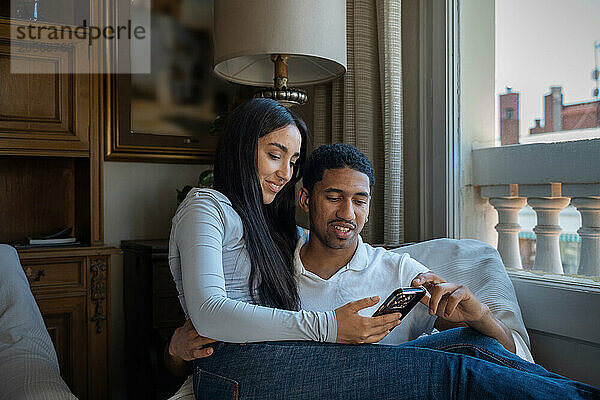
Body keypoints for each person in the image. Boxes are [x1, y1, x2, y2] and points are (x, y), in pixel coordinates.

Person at [169, 109, 599, 399]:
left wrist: (477, 314)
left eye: (292, 159)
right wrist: (330, 327)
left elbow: (227, 298)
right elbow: (209, 312)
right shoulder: (209, 206)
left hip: (262, 361)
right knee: (450, 375)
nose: (283, 171)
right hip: (238, 368)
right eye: (274, 154)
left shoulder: (259, 225)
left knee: (469, 346)